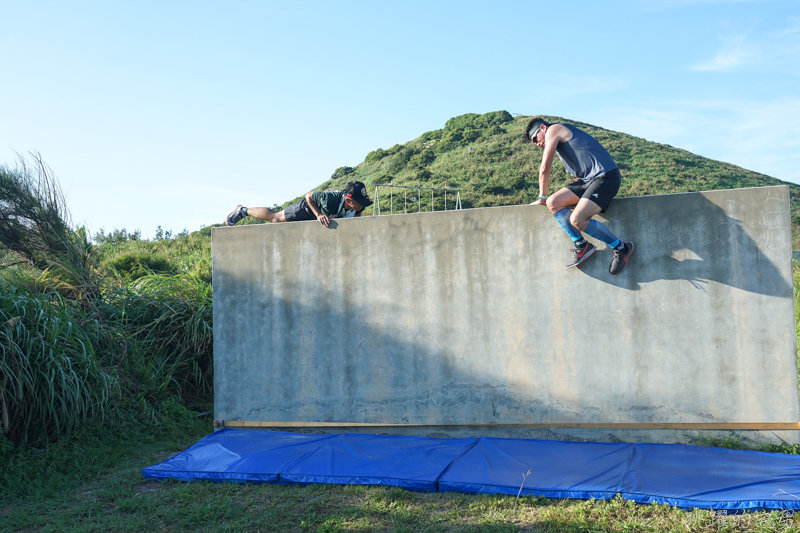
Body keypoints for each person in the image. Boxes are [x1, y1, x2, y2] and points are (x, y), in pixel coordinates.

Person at [525, 117, 634, 275]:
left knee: (577, 220)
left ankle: (622, 249)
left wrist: (541, 196)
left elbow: (544, 168)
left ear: (543, 127)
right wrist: (546, 199)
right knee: (553, 202)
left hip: (605, 177)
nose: (537, 143)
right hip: (587, 180)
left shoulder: (554, 129)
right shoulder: (557, 140)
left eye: (536, 138)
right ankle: (582, 246)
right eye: (533, 142)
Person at [225, 180, 373, 228]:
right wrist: (319, 214)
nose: (362, 205)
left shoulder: (359, 205)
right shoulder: (331, 200)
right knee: (275, 218)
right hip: (309, 208)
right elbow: (308, 196)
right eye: (359, 203)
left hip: (323, 210)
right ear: (348, 200)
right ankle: (243, 210)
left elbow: (357, 215)